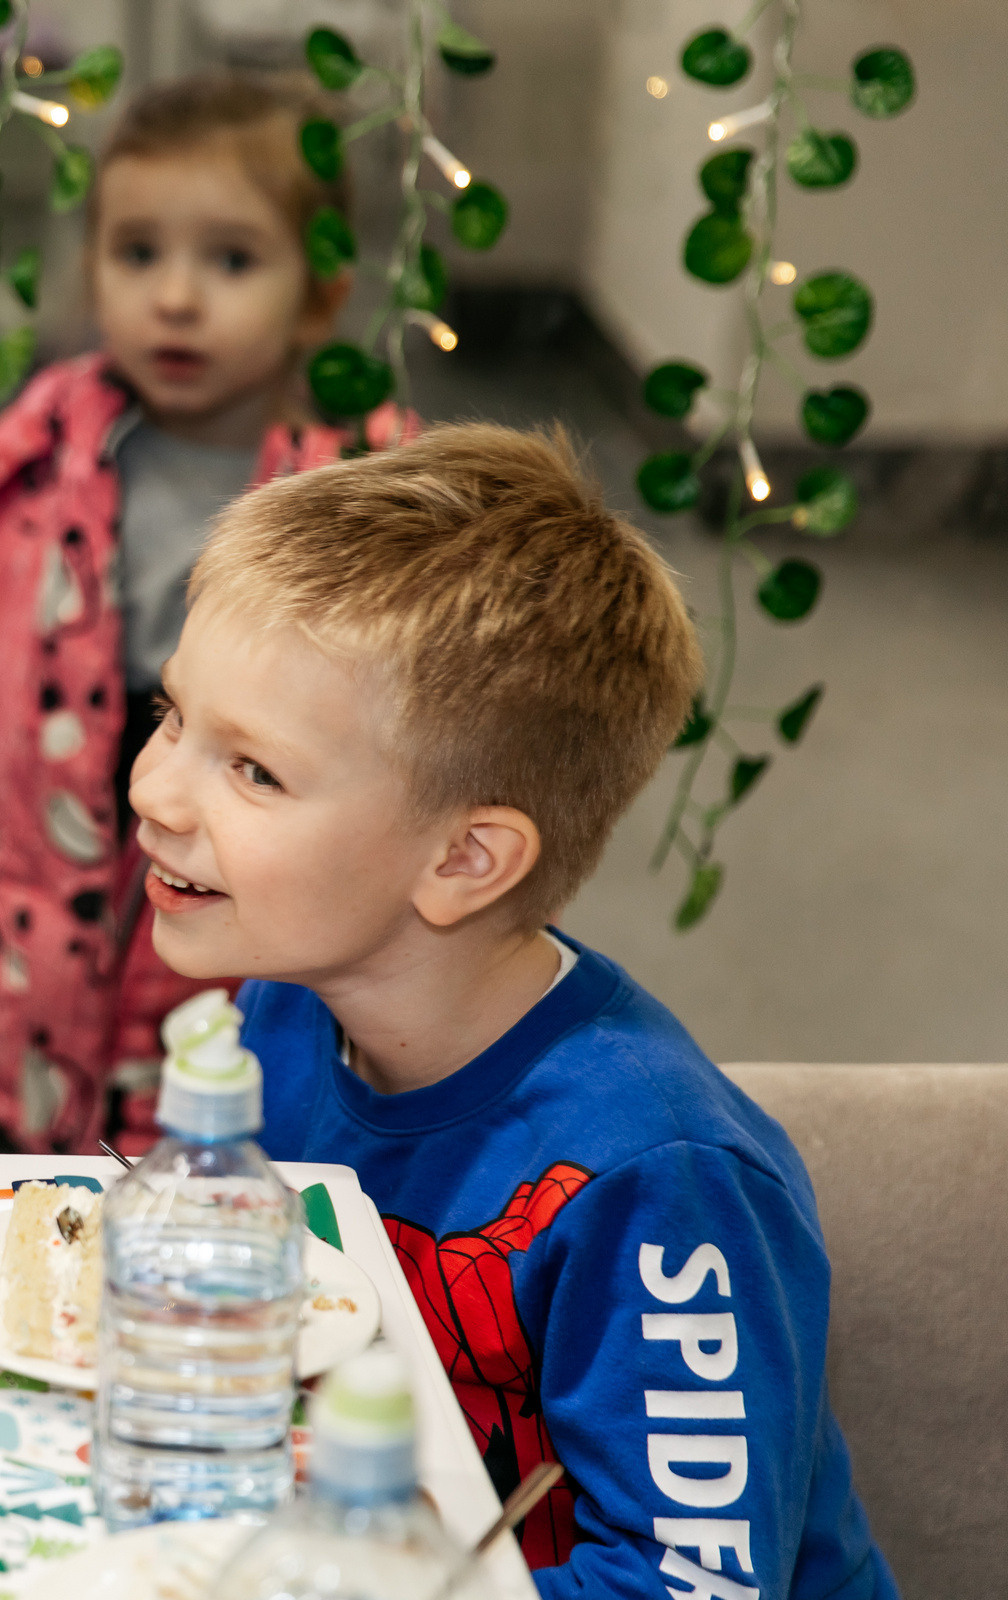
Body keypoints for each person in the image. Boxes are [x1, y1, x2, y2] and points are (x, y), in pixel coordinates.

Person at [133, 422, 893, 1596]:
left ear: (465, 859)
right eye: (175, 716)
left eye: (255, 771)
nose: (152, 789)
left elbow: (692, 1585)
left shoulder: (656, 1182)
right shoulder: (282, 1012)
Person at [0, 72, 411, 1154]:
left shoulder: (378, 508)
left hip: (238, 940)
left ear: (319, 295)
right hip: (18, 957)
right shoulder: (14, 475)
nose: (176, 297)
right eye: (138, 253)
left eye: (230, 259)